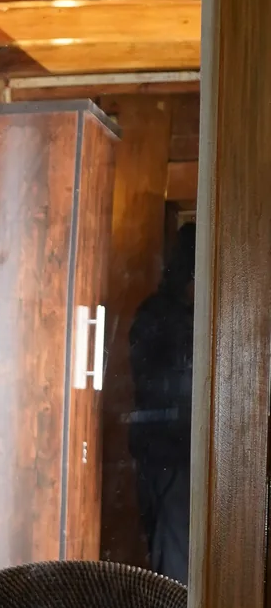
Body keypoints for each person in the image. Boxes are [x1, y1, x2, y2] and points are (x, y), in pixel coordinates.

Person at [127, 221, 195, 581]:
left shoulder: (154, 312)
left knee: (166, 549)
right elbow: (166, 386)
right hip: (171, 452)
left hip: (158, 449)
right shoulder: (173, 318)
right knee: (174, 555)